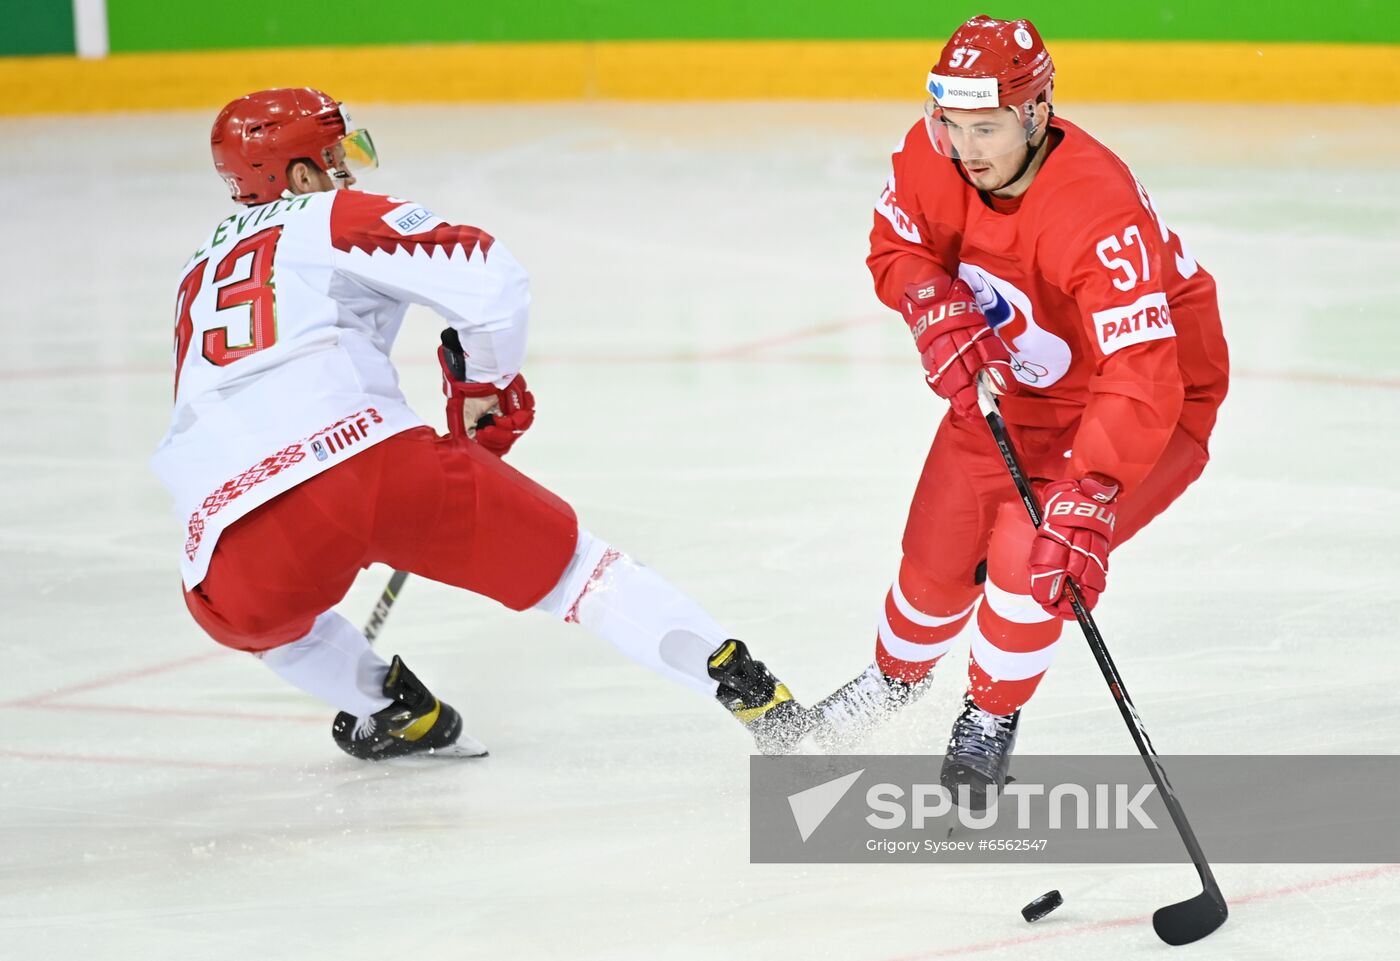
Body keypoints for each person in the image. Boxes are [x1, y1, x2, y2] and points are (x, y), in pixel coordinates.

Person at [152, 87, 810, 760]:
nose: (345, 170)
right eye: (332, 156)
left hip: (231, 530)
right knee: (581, 575)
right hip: (369, 464)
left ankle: (394, 709)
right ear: (298, 176)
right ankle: (746, 688)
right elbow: (488, 277)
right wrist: (486, 384)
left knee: (267, 625)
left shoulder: (195, 269)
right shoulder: (326, 215)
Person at [810, 16, 1229, 803]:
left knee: (1029, 551)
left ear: (1035, 113)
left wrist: (1096, 486)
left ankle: (989, 713)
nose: (965, 147)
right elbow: (895, 246)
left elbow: (1144, 369)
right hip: (1014, 388)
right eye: (951, 122)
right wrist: (927, 296)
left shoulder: (1095, 209)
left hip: (1147, 404)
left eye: (987, 126)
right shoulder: (929, 156)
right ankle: (892, 682)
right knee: (936, 556)